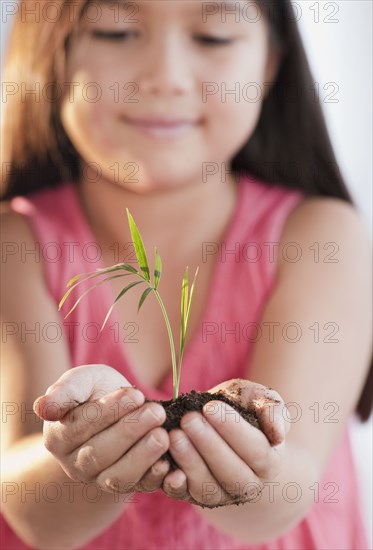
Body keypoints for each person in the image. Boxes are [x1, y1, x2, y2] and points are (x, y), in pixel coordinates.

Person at [1, 0, 372, 548]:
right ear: (50, 54)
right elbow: (28, 503)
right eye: (116, 31)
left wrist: (258, 469)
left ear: (270, 63)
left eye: (214, 37)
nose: (164, 78)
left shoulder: (321, 236)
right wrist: (81, 453)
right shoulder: (16, 243)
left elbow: (293, 486)